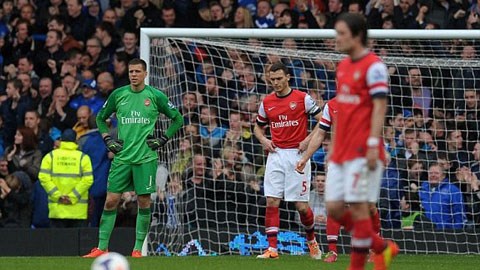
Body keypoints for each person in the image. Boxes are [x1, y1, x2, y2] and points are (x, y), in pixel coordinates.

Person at [83, 58, 183, 258]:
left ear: (145, 74)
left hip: (145, 158)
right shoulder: (118, 95)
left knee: (144, 202)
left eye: (137, 71)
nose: (134, 75)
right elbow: (101, 118)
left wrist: (162, 139)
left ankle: (137, 249)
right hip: (122, 158)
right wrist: (107, 139)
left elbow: (178, 119)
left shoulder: (155, 96)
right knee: (111, 201)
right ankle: (102, 247)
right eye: (131, 72)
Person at [324, 13, 398, 270]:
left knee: (358, 208)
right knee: (333, 207)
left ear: (356, 36)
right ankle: (382, 247)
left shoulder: (374, 66)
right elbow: (342, 110)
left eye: (341, 34)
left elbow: (380, 107)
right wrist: (333, 144)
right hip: (341, 150)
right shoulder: (342, 67)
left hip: (362, 150)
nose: (337, 39)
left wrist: (372, 144)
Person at [297, 96, 382, 263]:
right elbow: (320, 133)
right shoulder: (332, 105)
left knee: (369, 206)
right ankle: (333, 251)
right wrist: (305, 158)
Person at [254, 61, 323, 259]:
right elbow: (257, 127)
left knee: (300, 206)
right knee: (272, 200)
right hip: (276, 155)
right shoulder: (267, 102)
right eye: (272, 79)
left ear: (288, 77)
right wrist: (264, 140)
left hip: (297, 155)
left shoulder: (303, 98)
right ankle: (272, 249)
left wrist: (307, 140)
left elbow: (323, 121)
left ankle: (312, 241)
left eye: (278, 78)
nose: (275, 82)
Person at [38, 129, 94, 228]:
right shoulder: (83, 158)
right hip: (78, 212)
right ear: (75, 141)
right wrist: (72, 197)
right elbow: (88, 180)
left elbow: (43, 177)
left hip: (57, 210)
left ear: (61, 140)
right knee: (77, 243)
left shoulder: (50, 157)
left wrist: (58, 196)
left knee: (58, 243)